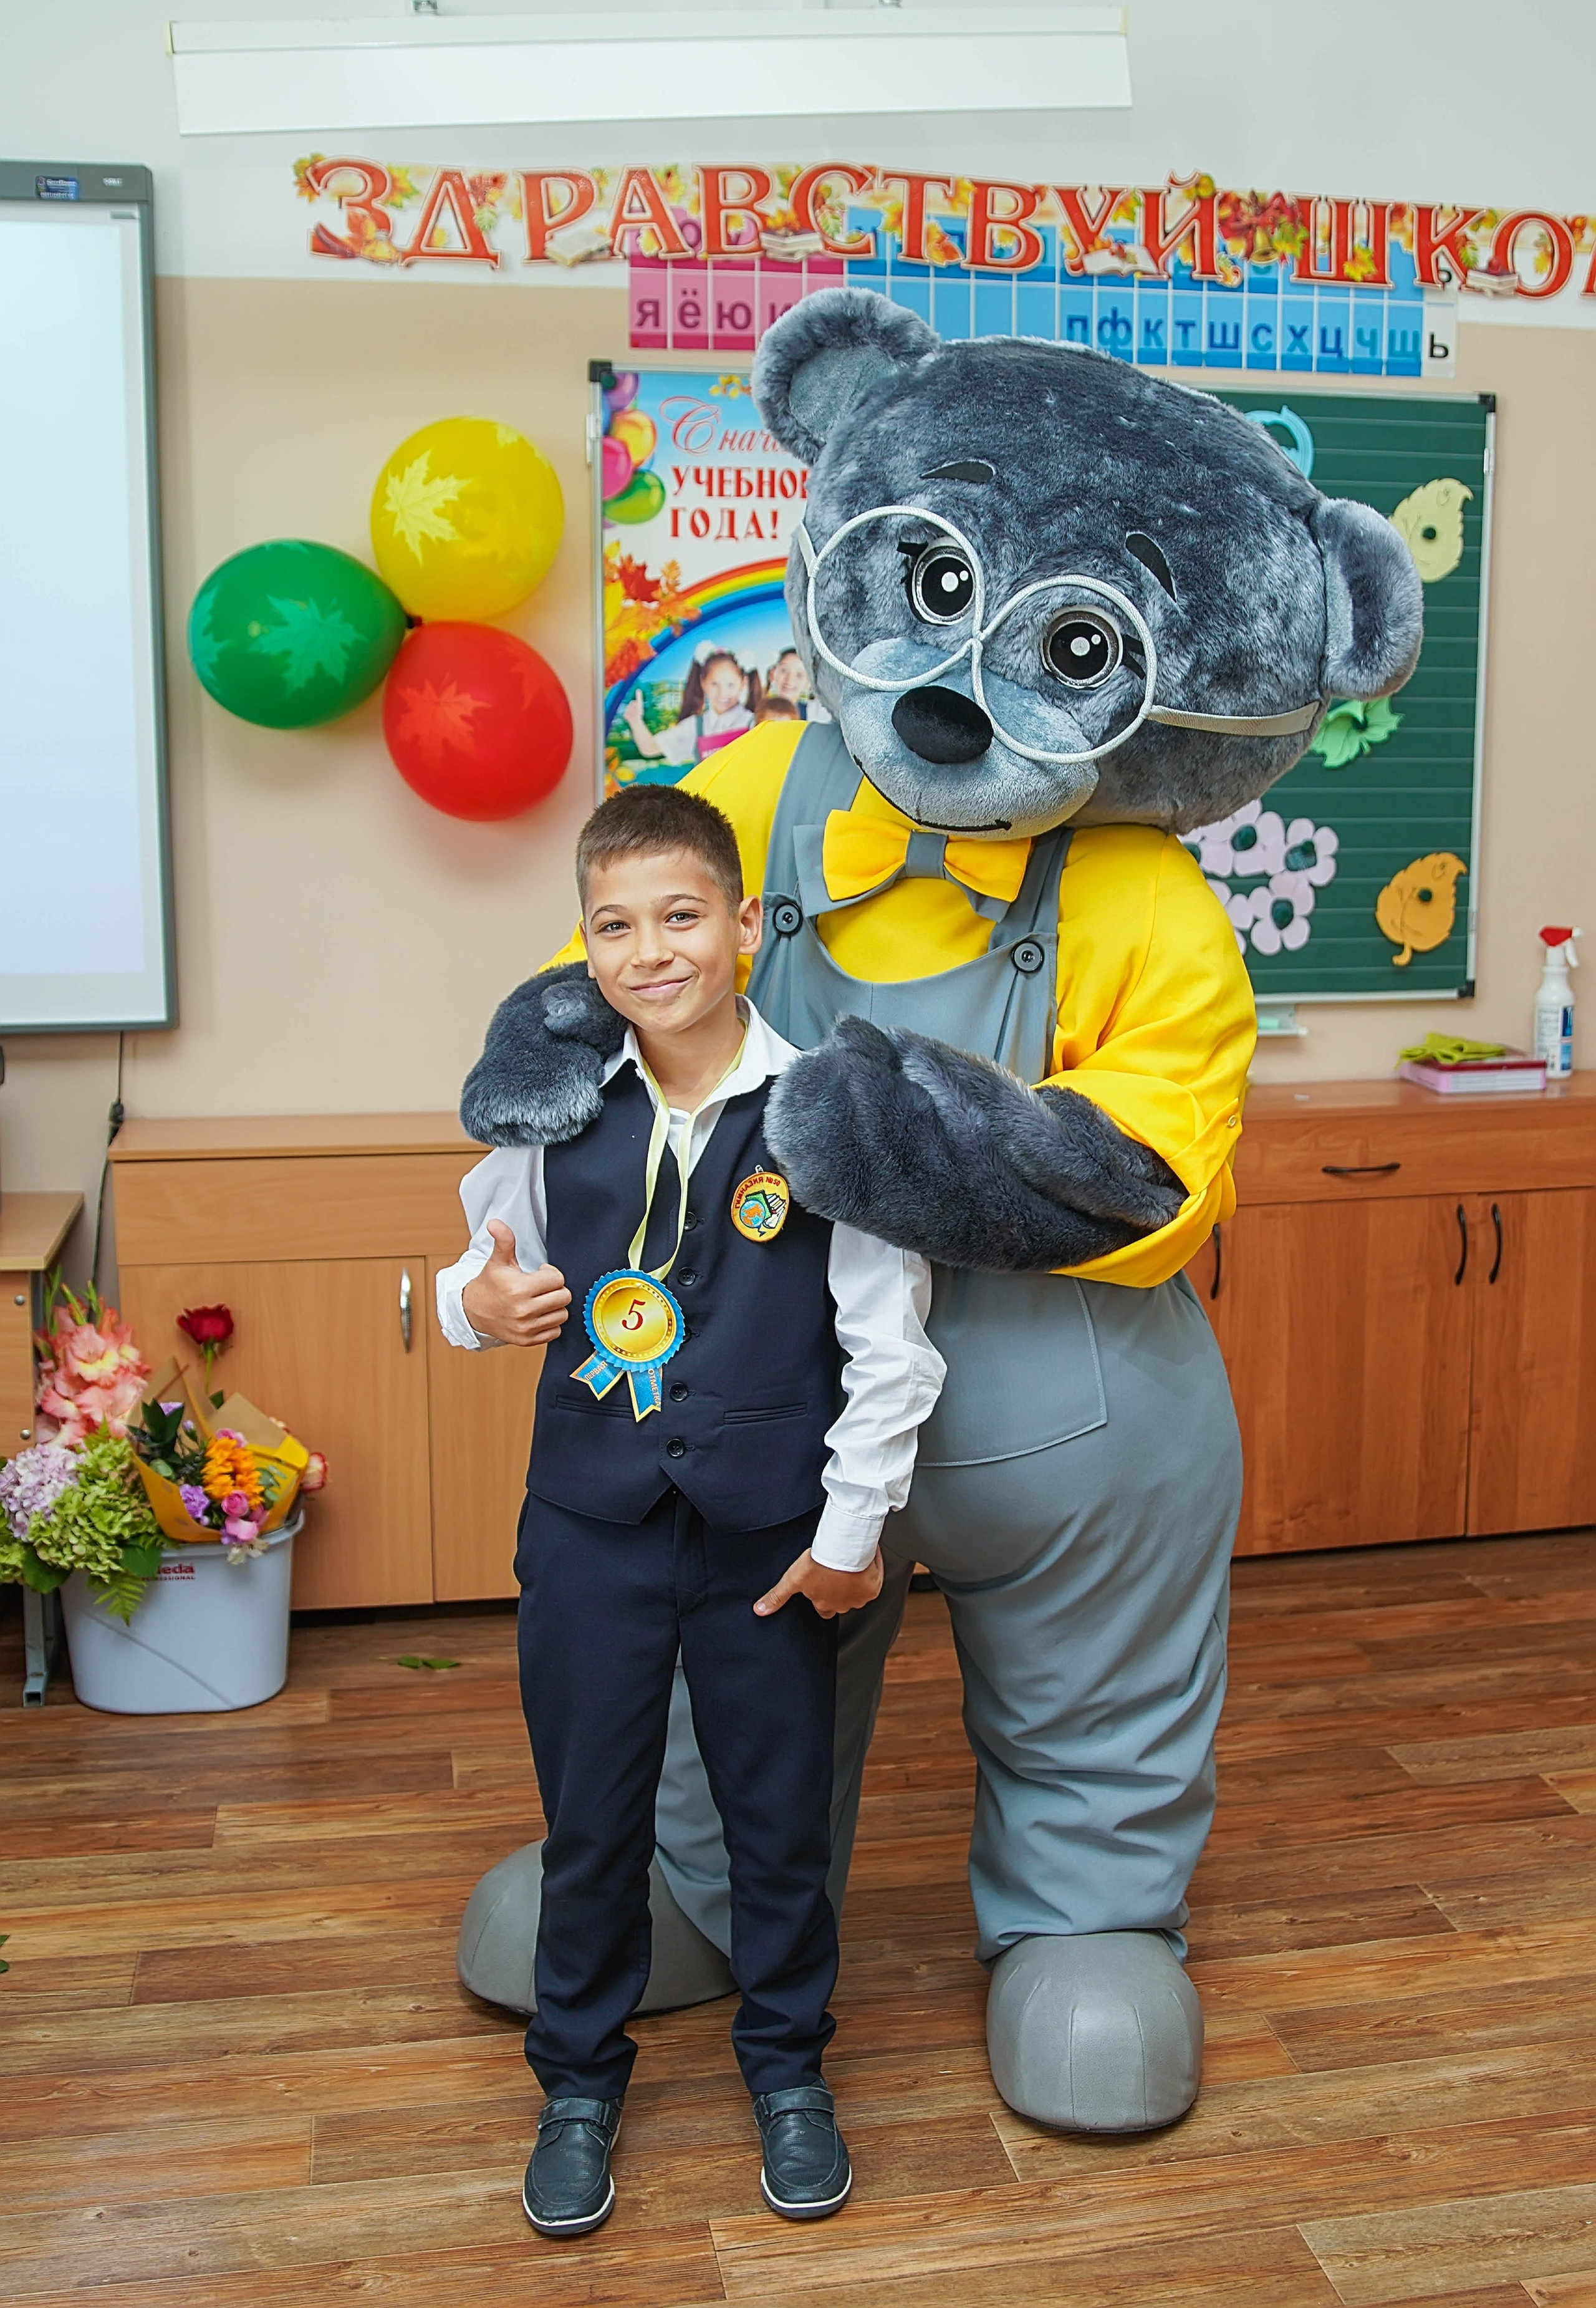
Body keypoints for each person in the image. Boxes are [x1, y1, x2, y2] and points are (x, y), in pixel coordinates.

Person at [436, 784, 945, 2239]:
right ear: (584, 943)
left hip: (764, 1537)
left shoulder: (823, 1115)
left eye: (677, 915)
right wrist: (475, 1307)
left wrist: (846, 1536)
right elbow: (475, 1268)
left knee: (776, 1820)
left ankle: (787, 2067)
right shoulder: (553, 1109)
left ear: (742, 922)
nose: (648, 950)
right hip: (587, 1526)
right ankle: (577, 2083)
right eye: (613, 925)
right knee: (589, 1825)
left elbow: (892, 1342)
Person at [622, 645, 758, 769]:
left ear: (743, 683)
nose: (723, 693)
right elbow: (650, 748)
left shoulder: (754, 722)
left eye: (731, 685)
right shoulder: (695, 726)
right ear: (703, 682)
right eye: (715, 684)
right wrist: (635, 721)